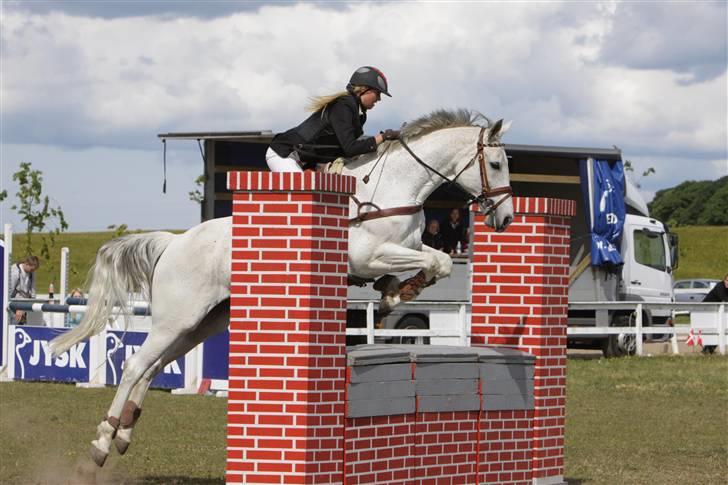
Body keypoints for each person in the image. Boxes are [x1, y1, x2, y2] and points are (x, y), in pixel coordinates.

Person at [266, 66, 399, 172]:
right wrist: (382, 137)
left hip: (305, 161)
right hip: (284, 153)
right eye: (378, 94)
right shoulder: (343, 106)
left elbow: (351, 149)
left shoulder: (360, 114)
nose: (379, 99)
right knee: (303, 191)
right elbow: (350, 148)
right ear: (365, 90)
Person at [9, 255, 40, 325]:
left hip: (24, 304)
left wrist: (29, 306)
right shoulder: (15, 272)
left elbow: (33, 291)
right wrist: (17, 307)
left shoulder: (32, 273)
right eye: (32, 269)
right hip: (14, 303)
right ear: (26, 264)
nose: (33, 271)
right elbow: (8, 293)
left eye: (34, 270)